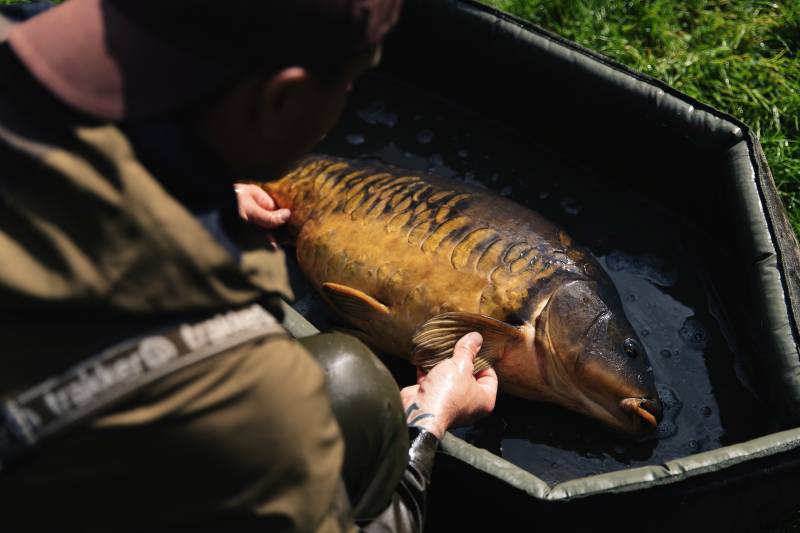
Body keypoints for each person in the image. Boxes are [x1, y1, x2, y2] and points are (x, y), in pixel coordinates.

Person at [0, 1, 498, 531]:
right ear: (279, 99)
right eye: (350, 82)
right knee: (355, 390)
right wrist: (426, 424)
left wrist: (188, 188)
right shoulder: (252, 402)